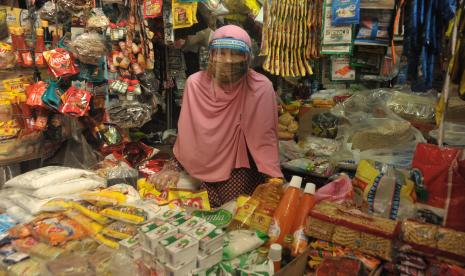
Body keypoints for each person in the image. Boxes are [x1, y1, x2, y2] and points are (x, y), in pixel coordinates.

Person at [150, 25, 283, 207]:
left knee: (234, 220)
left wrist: (273, 177)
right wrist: (173, 167)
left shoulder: (260, 86)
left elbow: (264, 136)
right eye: (221, 53)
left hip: (241, 171)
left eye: (236, 53)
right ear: (211, 55)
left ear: (247, 56)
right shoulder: (195, 84)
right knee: (200, 220)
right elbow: (188, 134)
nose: (228, 60)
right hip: (198, 169)